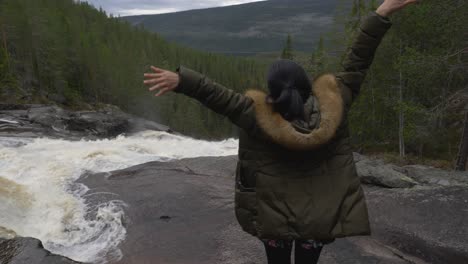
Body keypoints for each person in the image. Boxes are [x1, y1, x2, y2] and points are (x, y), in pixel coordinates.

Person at [143, 0, 419, 263]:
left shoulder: (255, 115)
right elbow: (357, 60)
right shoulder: (336, 103)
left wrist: (182, 80)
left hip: (274, 219)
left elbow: (217, 95)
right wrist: (381, 12)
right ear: (305, 84)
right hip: (319, 220)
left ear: (273, 90)